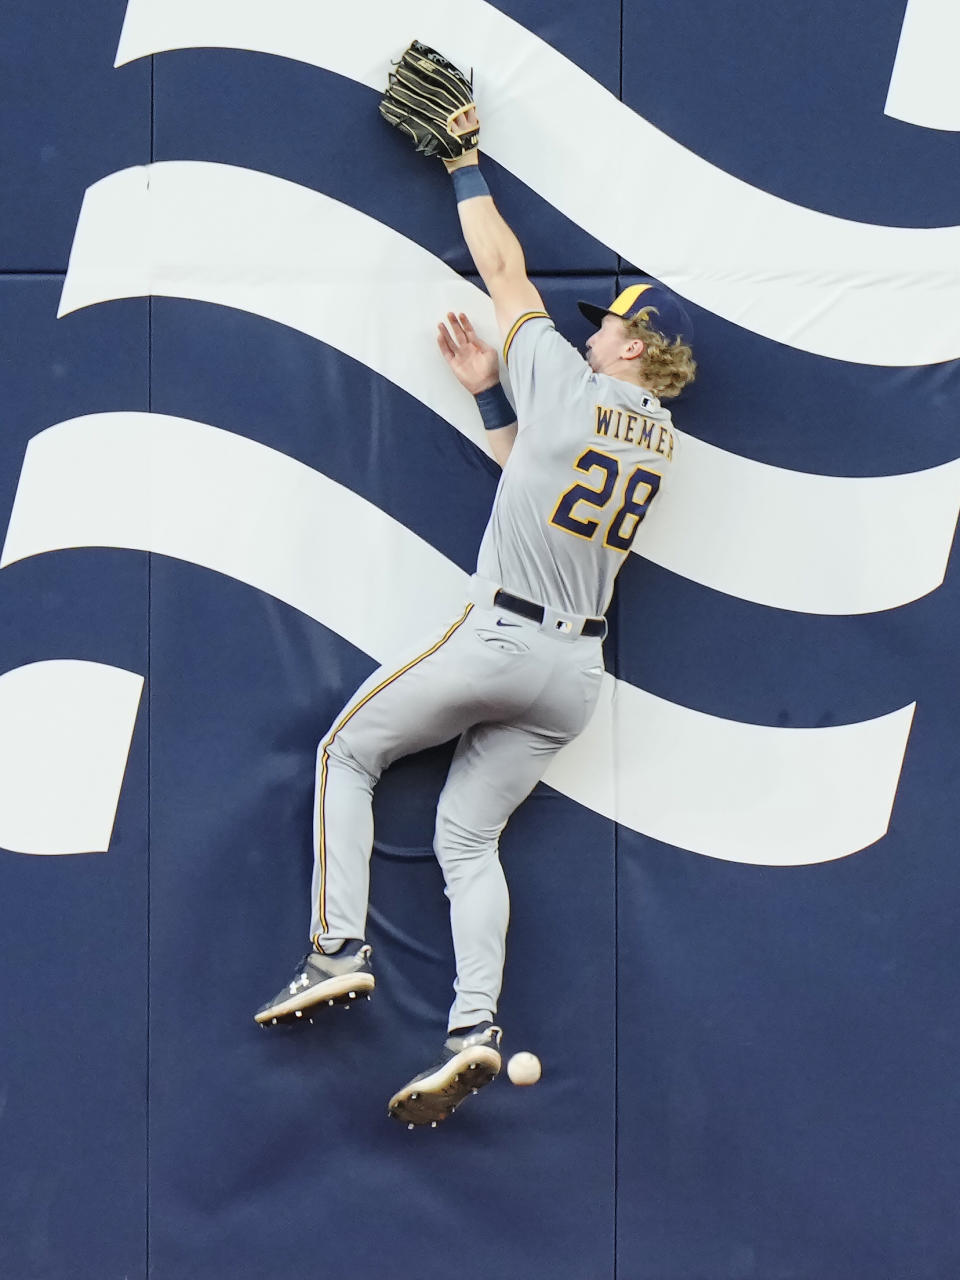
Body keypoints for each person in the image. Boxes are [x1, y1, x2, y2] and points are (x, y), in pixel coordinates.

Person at [255, 97, 696, 1128]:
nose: (600, 334)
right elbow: (527, 480)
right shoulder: (659, 439)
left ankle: (334, 948)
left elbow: (506, 275)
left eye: (616, 325)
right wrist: (492, 398)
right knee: (464, 839)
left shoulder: (571, 385)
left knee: (347, 753)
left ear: (639, 347)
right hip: (573, 675)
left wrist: (463, 164)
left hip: (502, 632)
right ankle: (473, 1031)